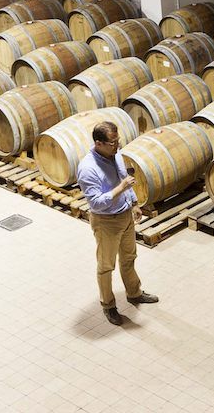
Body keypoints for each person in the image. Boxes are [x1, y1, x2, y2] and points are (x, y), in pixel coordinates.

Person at [76, 121, 158, 325]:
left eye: (118, 141)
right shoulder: (88, 169)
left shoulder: (115, 154)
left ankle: (134, 293)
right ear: (99, 143)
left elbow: (124, 177)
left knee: (129, 257)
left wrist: (134, 202)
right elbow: (96, 202)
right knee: (106, 266)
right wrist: (120, 188)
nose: (117, 146)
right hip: (106, 222)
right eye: (112, 143)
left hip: (124, 216)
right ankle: (108, 305)